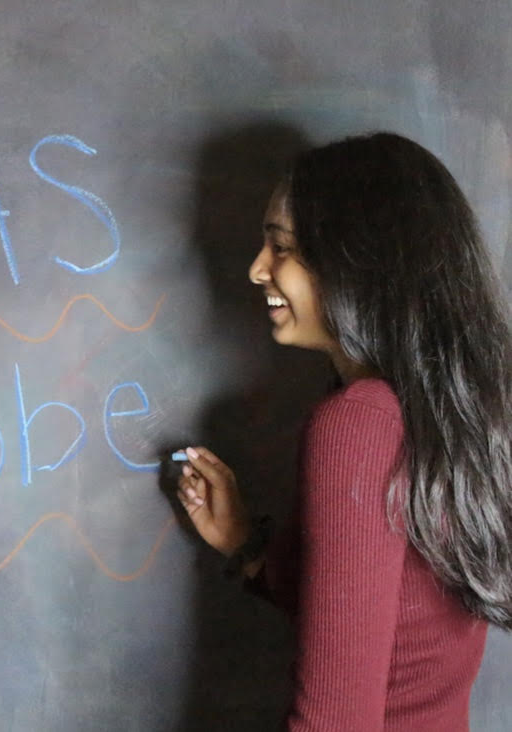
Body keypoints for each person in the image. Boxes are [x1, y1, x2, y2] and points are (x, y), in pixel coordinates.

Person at [176, 132, 512, 731]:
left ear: (357, 259)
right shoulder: (450, 414)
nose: (257, 270)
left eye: (280, 247)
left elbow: (335, 720)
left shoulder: (357, 425)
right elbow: (394, 630)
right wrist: (248, 549)